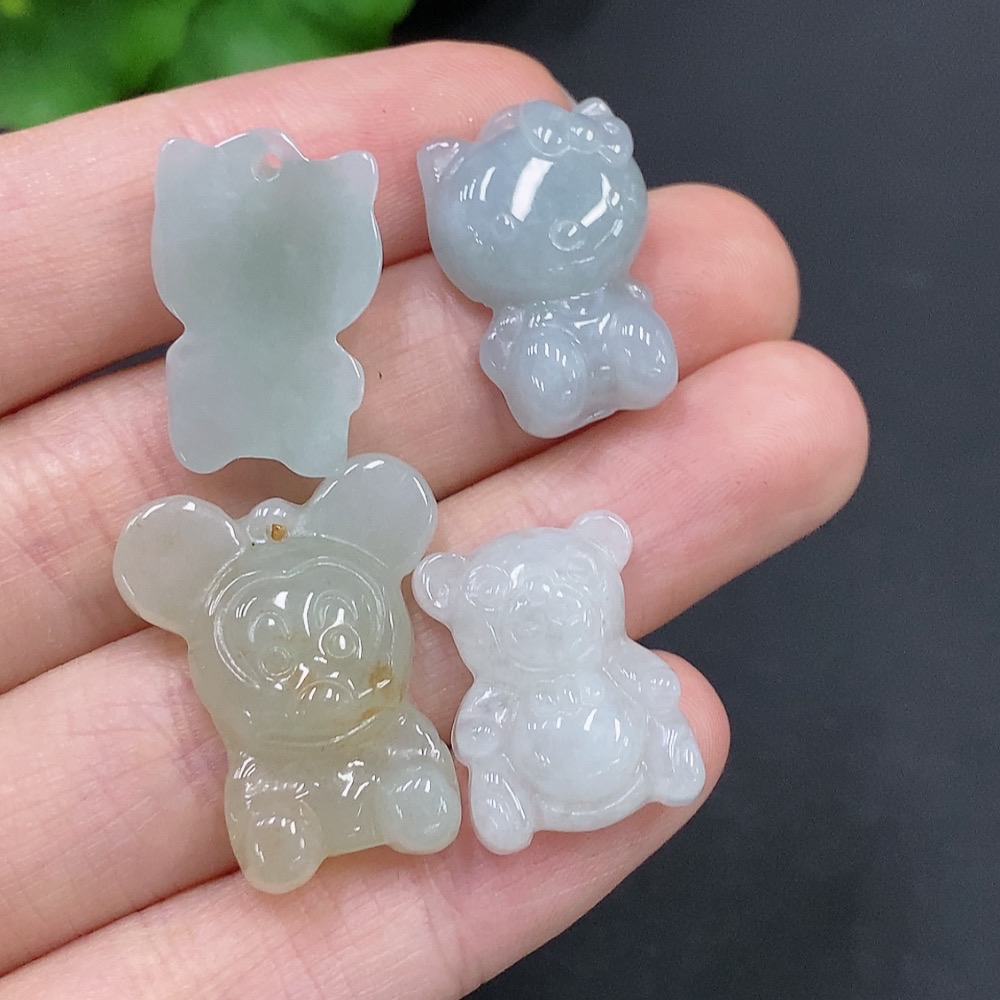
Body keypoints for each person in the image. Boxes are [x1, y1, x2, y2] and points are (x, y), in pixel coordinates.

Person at [0, 41, 867, 998]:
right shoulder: (238, 553)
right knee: (309, 792)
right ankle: (316, 815)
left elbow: (599, 695)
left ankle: (408, 794)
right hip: (280, 741)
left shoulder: (458, 642)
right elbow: (483, 725)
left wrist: (560, 756)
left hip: (395, 641)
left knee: (417, 770)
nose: (317, 665)